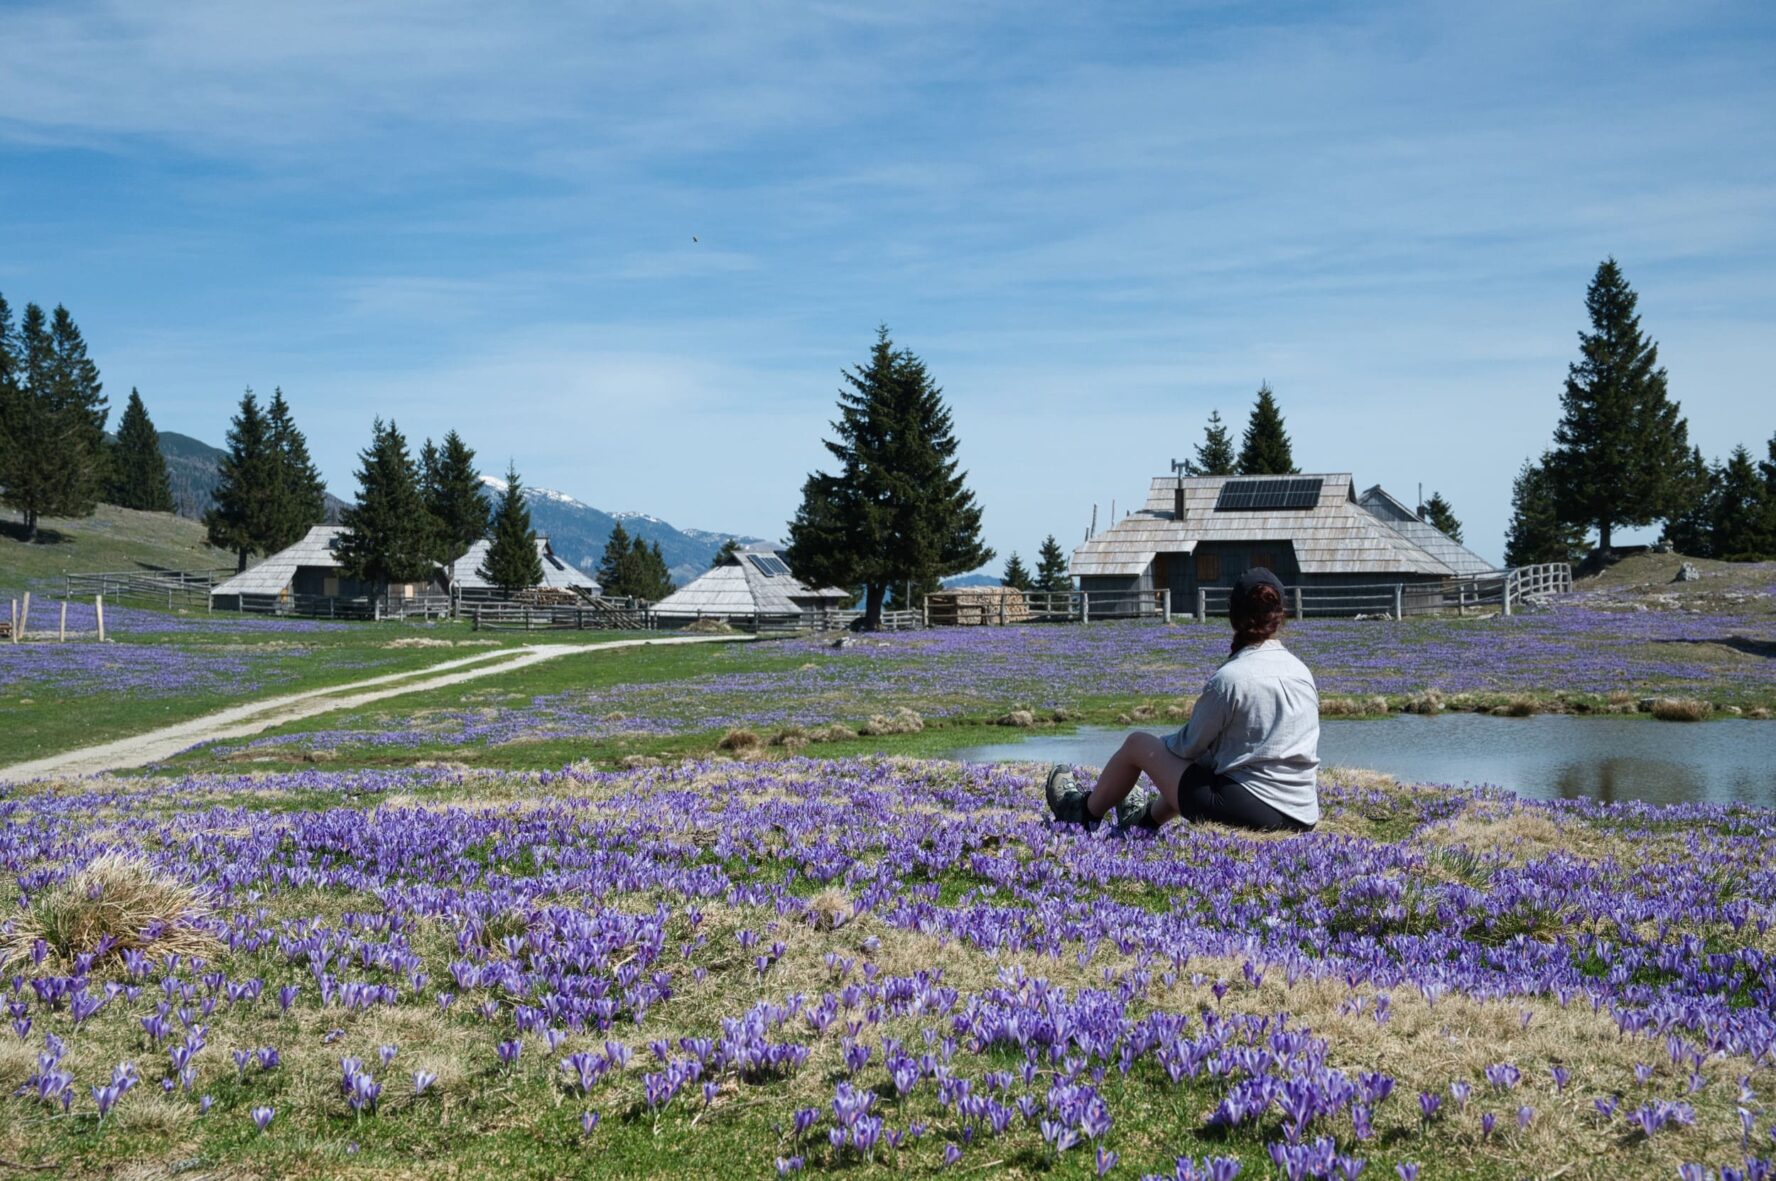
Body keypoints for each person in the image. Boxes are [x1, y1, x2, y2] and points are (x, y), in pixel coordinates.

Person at [1046, 566, 1319, 833]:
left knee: (1137, 744)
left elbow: (1189, 747)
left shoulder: (1231, 678)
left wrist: (1157, 750)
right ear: (1279, 616)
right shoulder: (1302, 672)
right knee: (1206, 765)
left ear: (1233, 616)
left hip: (1249, 811)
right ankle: (1144, 822)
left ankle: (1082, 812)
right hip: (1303, 814)